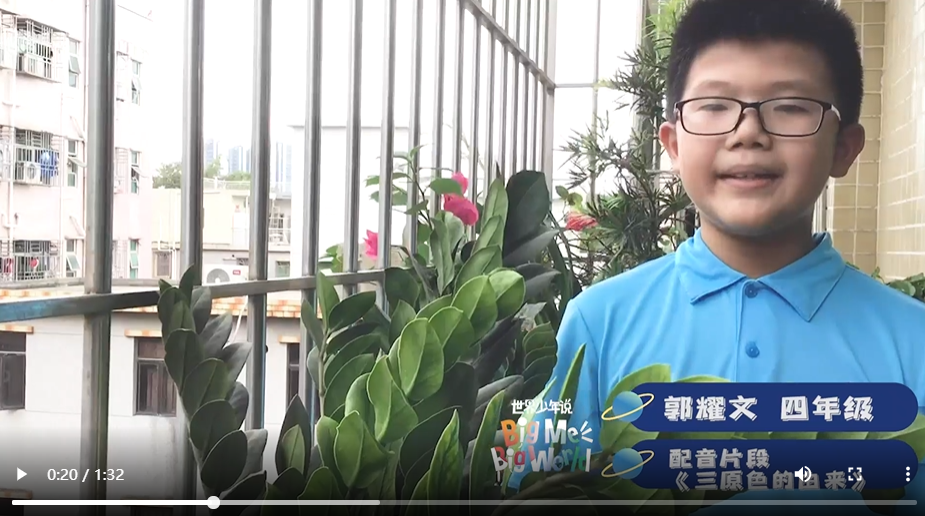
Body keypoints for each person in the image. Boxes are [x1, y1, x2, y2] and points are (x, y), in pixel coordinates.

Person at [508, 0, 925, 513]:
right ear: (673, 144)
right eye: (714, 105)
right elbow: (535, 488)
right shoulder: (599, 322)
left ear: (844, 147)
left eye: (790, 106)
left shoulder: (914, 341)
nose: (748, 132)